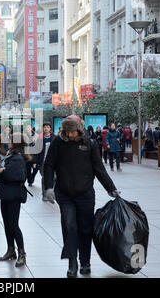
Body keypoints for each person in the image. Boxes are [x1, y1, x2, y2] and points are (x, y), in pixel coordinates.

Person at [42, 116, 119, 278]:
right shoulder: (58, 143)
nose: (70, 135)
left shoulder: (89, 144)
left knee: (86, 229)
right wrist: (48, 187)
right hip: (65, 193)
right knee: (69, 226)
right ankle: (72, 262)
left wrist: (111, 188)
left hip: (85, 194)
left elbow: (99, 169)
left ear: (80, 130)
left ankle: (85, 262)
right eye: (67, 132)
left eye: (73, 131)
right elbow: (48, 165)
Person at [0, 132, 30, 268]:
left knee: (13, 224)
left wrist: (1, 171)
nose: (7, 141)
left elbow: (11, 176)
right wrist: (0, 170)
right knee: (7, 224)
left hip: (13, 194)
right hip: (7, 193)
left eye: (10, 139)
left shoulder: (17, 158)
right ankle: (11, 250)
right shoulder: (11, 155)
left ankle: (22, 253)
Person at [33, 122, 56, 201]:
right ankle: (44, 194)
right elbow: (36, 151)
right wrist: (35, 162)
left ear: (50, 128)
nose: (46, 128)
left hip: (53, 162)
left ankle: (52, 193)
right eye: (45, 127)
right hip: (43, 162)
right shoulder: (39, 138)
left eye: (48, 127)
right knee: (44, 178)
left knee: (54, 178)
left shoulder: (55, 138)